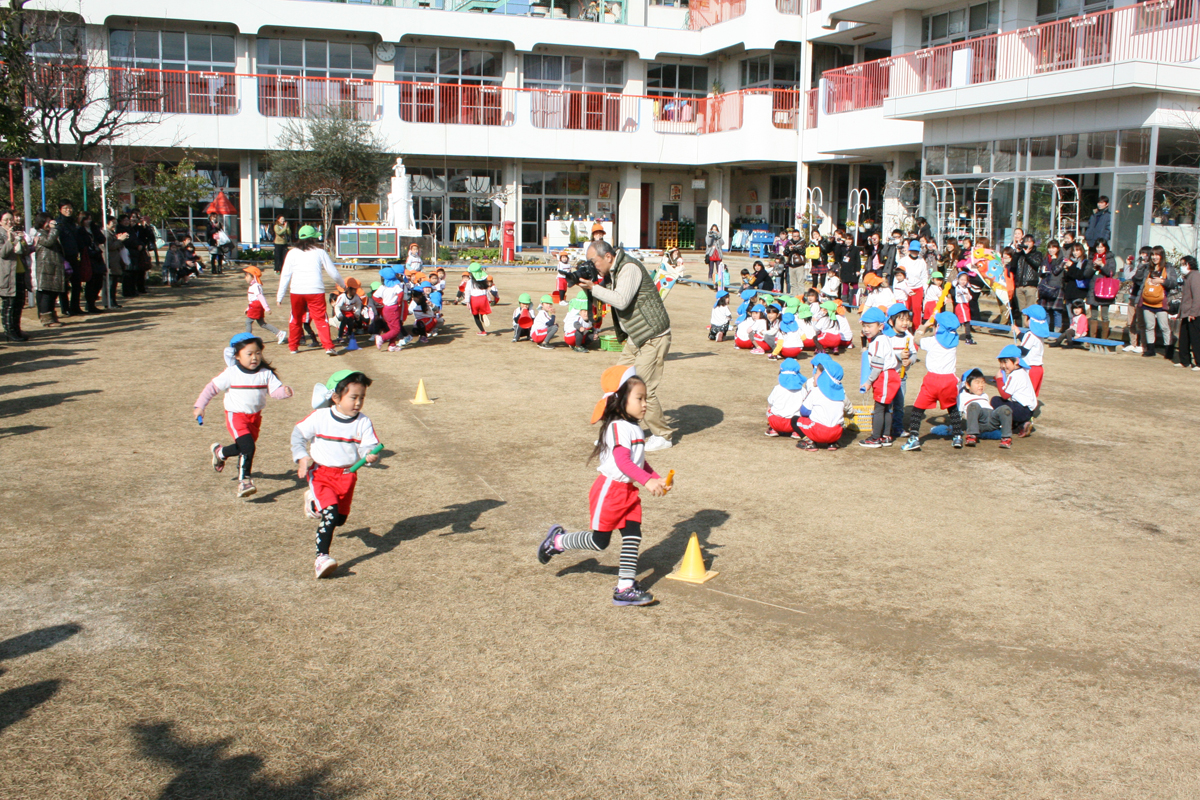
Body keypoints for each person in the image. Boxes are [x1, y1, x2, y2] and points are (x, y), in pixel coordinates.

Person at [536, 366, 665, 607]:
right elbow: (622, 461)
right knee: (599, 542)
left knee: (633, 535)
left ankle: (625, 588)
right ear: (620, 400)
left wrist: (656, 477)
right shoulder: (617, 426)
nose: (645, 404)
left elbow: (639, 461)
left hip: (628, 492)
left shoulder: (635, 427)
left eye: (645, 398)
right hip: (611, 491)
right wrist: (647, 481)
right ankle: (557, 542)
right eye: (639, 398)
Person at [578, 240, 674, 452]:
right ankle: (617, 434)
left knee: (643, 388)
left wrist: (594, 288)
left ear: (608, 257)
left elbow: (621, 300)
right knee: (617, 383)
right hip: (636, 337)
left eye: (594, 261)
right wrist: (590, 286)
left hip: (653, 336)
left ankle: (663, 436)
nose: (593, 266)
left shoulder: (629, 268)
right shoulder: (612, 271)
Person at [294, 370, 381, 580]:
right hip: (321, 474)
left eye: (362, 398)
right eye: (353, 397)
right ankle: (321, 558)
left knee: (340, 520)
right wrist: (302, 457)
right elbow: (298, 434)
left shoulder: (363, 422)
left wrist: (369, 455)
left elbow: (368, 446)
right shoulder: (320, 417)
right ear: (336, 397)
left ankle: (313, 503)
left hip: (347, 475)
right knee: (330, 515)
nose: (358, 402)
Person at [194, 333, 294, 498]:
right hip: (236, 416)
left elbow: (275, 392)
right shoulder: (231, 372)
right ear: (237, 356)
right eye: (249, 354)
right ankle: (244, 482)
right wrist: (200, 406)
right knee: (248, 447)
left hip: (255, 417)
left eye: (258, 353)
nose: (254, 358)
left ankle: (220, 452)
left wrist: (285, 392)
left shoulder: (265, 373)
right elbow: (211, 388)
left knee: (243, 447)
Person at [276, 224, 346, 356]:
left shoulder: (292, 253)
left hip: (296, 291)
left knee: (295, 318)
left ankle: (293, 347)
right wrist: (342, 284)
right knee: (321, 319)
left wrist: (280, 296)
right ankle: (328, 347)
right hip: (315, 290)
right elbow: (333, 272)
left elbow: (285, 275)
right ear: (313, 238)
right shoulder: (320, 252)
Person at [901, 311, 964, 451]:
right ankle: (957, 436)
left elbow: (916, 339)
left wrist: (924, 326)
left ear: (938, 327)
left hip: (933, 380)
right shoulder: (954, 341)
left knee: (918, 409)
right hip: (949, 380)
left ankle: (913, 438)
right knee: (952, 407)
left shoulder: (932, 341)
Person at [858, 306, 900, 448]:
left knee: (879, 408)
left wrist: (868, 382)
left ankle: (876, 437)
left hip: (884, 376)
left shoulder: (878, 341)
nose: (866, 329)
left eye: (869, 326)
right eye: (864, 326)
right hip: (889, 375)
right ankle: (886, 436)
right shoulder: (882, 339)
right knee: (887, 407)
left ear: (881, 326)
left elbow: (877, 366)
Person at [794, 353, 846, 451]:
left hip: (819, 431)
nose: (814, 374)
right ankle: (832, 443)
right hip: (836, 433)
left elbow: (804, 412)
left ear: (824, 376)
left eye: (817, 373)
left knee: (795, 420)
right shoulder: (841, 393)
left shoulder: (816, 391)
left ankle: (809, 441)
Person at [959, 368, 1012, 449]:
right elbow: (958, 413)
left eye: (983, 382)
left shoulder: (985, 395)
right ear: (967, 385)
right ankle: (971, 436)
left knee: (1005, 409)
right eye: (977, 382)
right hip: (979, 421)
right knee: (974, 405)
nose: (981, 385)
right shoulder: (962, 396)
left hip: (992, 418)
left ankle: (1006, 438)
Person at [1140, 245, 1176, 358]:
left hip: (1161, 302)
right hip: (1147, 301)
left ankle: (1168, 349)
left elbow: (1174, 283)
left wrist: (1162, 281)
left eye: (1157, 255)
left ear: (1162, 256)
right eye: (1153, 255)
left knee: (1164, 326)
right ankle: (1150, 349)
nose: (1155, 257)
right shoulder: (1148, 268)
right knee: (1149, 326)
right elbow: (1138, 280)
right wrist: (1141, 266)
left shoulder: (1168, 268)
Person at [994, 344, 1037, 439]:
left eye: (1005, 362)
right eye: (1001, 363)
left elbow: (1005, 395)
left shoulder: (1015, 375)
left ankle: (1011, 423)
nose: (1003, 366)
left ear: (1016, 361)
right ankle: (1022, 424)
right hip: (1028, 410)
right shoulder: (1022, 372)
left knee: (996, 400)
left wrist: (999, 379)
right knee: (1009, 404)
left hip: (1021, 410)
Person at [887, 303, 915, 442]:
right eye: (901, 320)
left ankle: (897, 427)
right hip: (887, 376)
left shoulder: (908, 336)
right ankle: (885, 428)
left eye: (907, 320)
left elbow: (914, 354)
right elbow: (884, 355)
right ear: (891, 321)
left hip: (901, 377)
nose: (905, 323)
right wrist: (898, 356)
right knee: (886, 403)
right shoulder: (887, 337)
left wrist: (910, 361)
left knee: (899, 403)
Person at [0, 211, 30, 341]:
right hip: (7, 274)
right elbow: (3, 253)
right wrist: (9, 240)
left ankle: (17, 329)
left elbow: (25, 252)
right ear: (0, 221)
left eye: (11, 219)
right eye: (6, 219)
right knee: (9, 304)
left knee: (19, 303)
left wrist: (22, 242)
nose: (9, 222)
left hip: (19, 271)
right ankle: (9, 331)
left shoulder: (15, 232)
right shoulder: (2, 235)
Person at [33, 213, 65, 328]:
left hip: (53, 267)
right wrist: (54, 229)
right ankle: (47, 319)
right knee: (47, 293)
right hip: (45, 268)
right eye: (47, 221)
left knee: (52, 293)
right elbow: (49, 242)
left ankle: (51, 316)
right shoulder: (40, 234)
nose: (50, 223)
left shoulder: (48, 233)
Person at [242, 266, 286, 343]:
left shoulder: (256, 286)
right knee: (262, 323)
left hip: (256, 306)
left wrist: (267, 308)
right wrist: (248, 308)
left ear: (252, 276)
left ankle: (248, 339)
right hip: (254, 306)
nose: (245, 277)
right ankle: (279, 333)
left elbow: (260, 297)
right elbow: (252, 299)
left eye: (246, 275)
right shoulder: (254, 286)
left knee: (248, 322)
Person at [765, 358, 806, 438]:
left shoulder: (777, 388)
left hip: (776, 422)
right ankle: (796, 432)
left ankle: (773, 429)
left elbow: (770, 404)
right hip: (794, 424)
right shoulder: (802, 390)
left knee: (769, 408)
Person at [1087, 238, 1118, 341]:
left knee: (1104, 316)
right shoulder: (1092, 257)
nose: (1099, 249)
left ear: (1105, 247)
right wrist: (1093, 267)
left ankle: (1104, 339)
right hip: (1094, 288)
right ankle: (1092, 339)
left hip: (1105, 289)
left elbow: (1111, 272)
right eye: (1097, 247)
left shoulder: (1110, 258)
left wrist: (1102, 265)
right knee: (1094, 315)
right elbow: (1086, 273)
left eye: (1101, 247)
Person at [1015, 304, 1048, 394]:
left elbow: (1024, 350)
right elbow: (1026, 339)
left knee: (1026, 394)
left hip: (1030, 368)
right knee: (1033, 395)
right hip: (1038, 369)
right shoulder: (1039, 335)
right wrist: (1017, 332)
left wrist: (1016, 348)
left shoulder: (1030, 334)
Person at [1174, 256, 1200, 370]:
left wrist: (1193, 312)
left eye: (1183, 264)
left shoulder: (1195, 276)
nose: (1181, 267)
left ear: (1189, 264)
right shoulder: (1187, 277)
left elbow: (1197, 296)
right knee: (1184, 338)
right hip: (1186, 312)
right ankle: (1185, 361)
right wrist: (1179, 313)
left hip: (1194, 313)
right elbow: (1185, 297)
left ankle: (1199, 362)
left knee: (1195, 338)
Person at [895, 241, 928, 326]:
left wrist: (925, 289)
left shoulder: (922, 261)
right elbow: (898, 275)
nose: (914, 252)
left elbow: (924, 276)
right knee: (904, 309)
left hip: (918, 288)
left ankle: (916, 329)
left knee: (917, 309)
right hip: (905, 287)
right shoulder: (903, 261)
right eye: (913, 250)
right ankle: (903, 327)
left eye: (916, 250)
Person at [373, 267, 405, 352]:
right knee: (397, 329)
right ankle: (382, 338)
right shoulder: (396, 286)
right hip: (393, 309)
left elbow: (375, 296)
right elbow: (401, 293)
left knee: (393, 328)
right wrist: (399, 302)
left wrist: (382, 302)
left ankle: (392, 345)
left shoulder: (382, 287)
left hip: (386, 309)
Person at [1040, 239, 1066, 333]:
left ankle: (1056, 332)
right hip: (1046, 287)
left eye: (1054, 247)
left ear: (1058, 248)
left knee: (1056, 311)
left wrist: (1054, 260)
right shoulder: (1046, 259)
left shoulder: (1062, 259)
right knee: (1045, 310)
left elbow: (1056, 271)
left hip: (1056, 287)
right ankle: (1046, 330)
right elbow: (1041, 272)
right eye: (1050, 248)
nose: (1051, 250)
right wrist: (1043, 270)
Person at [953, 272, 976, 345]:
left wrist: (969, 297)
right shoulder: (958, 287)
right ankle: (968, 338)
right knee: (965, 322)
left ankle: (967, 337)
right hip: (961, 305)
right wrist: (965, 294)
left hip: (966, 305)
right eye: (961, 279)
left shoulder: (966, 288)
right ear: (958, 280)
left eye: (965, 280)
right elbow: (960, 291)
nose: (963, 281)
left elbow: (970, 296)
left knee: (964, 322)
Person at [783, 228, 807, 294]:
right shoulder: (789, 242)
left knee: (800, 283)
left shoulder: (803, 242)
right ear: (792, 236)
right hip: (791, 265)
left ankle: (800, 297)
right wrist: (789, 249)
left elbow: (804, 252)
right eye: (794, 236)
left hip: (799, 265)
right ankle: (794, 296)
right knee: (793, 283)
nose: (796, 237)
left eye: (797, 236)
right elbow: (785, 252)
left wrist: (796, 248)